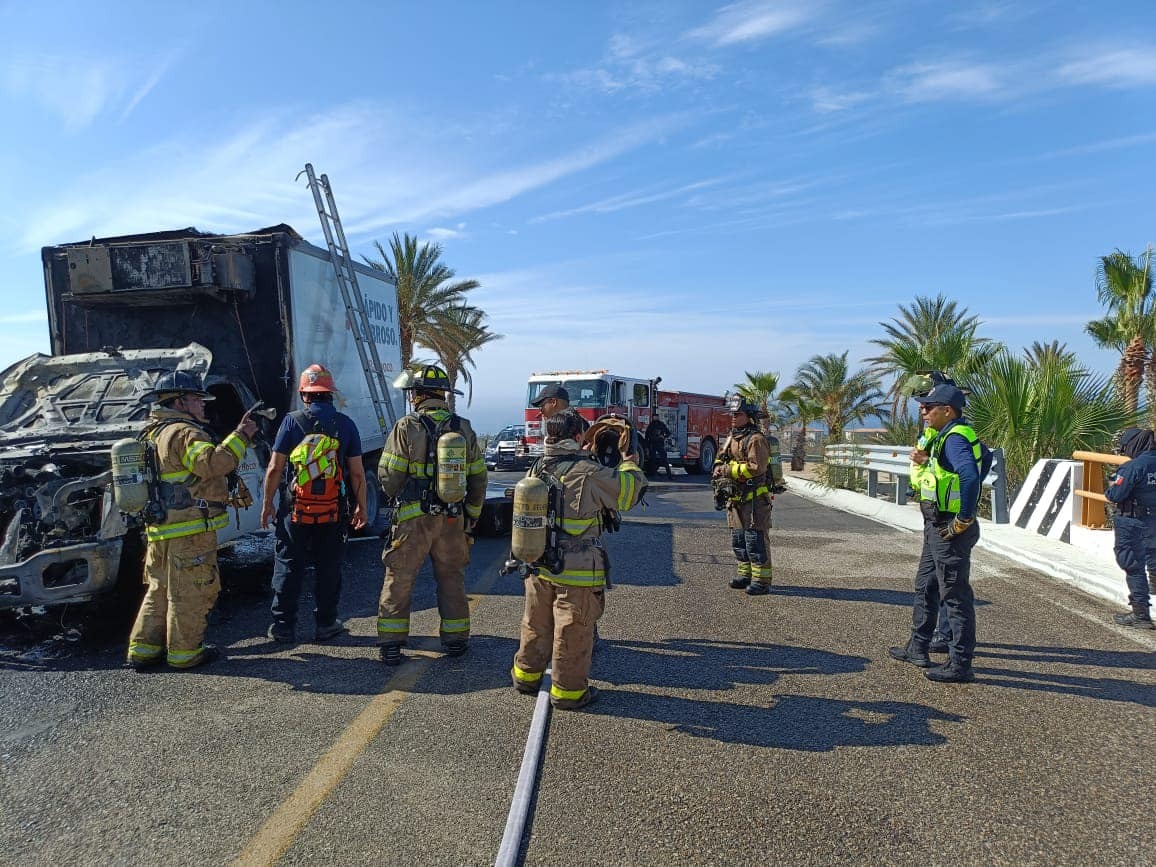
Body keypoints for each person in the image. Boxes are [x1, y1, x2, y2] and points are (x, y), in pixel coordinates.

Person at [511, 410, 646, 709]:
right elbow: (627, 496)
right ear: (575, 437)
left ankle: (525, 677)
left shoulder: (538, 466)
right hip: (577, 568)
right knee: (573, 630)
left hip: (539, 562)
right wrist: (630, 464)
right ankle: (568, 693)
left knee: (535, 623)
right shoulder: (588, 471)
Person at [125, 371, 257, 671]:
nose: (203, 405)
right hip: (190, 530)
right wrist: (241, 436)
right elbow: (213, 464)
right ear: (180, 401)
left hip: (161, 529)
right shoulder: (185, 432)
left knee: (158, 589)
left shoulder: (152, 433)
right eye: (197, 399)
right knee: (191, 591)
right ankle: (185, 654)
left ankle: (143, 651)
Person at [376, 364, 487, 665]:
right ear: (443, 395)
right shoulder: (463, 427)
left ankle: (391, 644)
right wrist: (472, 515)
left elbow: (389, 474)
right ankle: (455, 641)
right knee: (452, 578)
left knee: (399, 578)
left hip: (414, 519)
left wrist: (396, 497)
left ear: (418, 395)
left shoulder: (406, 427)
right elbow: (478, 477)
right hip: (453, 519)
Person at [889, 382, 991, 683]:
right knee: (926, 585)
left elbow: (971, 477)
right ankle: (917, 647)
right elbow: (984, 460)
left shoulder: (955, 439)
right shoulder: (946, 435)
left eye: (929, 407)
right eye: (923, 406)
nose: (923, 410)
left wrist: (963, 518)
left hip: (950, 529)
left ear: (947, 411)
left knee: (955, 596)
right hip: (936, 525)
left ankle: (960, 663)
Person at [260, 364, 367, 644]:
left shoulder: (291, 422)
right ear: (330, 393)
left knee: (288, 564)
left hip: (294, 509)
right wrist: (362, 507)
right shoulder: (345, 425)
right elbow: (356, 473)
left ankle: (283, 627)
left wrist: (267, 503)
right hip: (333, 511)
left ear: (304, 394)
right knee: (329, 567)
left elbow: (274, 467)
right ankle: (326, 624)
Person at [713, 395, 778, 595]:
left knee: (755, 540)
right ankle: (745, 575)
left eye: (738, 414)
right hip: (736, 499)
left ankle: (762, 580)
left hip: (755, 500)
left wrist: (727, 470)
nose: (733, 417)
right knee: (739, 539)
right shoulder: (732, 437)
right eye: (732, 413)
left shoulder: (756, 440)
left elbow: (756, 468)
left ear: (748, 416)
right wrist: (718, 472)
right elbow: (719, 460)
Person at [1104, 427, 1156, 630]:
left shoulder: (1133, 467)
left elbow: (1115, 494)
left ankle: (1141, 613)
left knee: (1133, 566)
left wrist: (1111, 484)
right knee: (1154, 563)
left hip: (1133, 523)